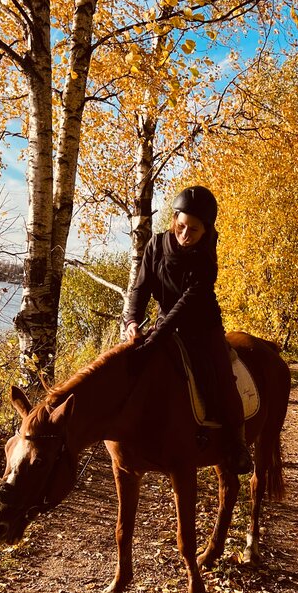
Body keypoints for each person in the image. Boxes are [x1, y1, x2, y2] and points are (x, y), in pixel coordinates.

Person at [124, 185, 253, 474]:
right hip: (164, 321)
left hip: (202, 326)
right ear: (174, 220)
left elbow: (185, 306)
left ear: (206, 230)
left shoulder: (206, 259)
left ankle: (236, 442)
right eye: (181, 226)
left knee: (221, 375)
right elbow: (140, 289)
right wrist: (132, 322)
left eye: (193, 230)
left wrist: (156, 339)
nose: (185, 234)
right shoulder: (156, 245)